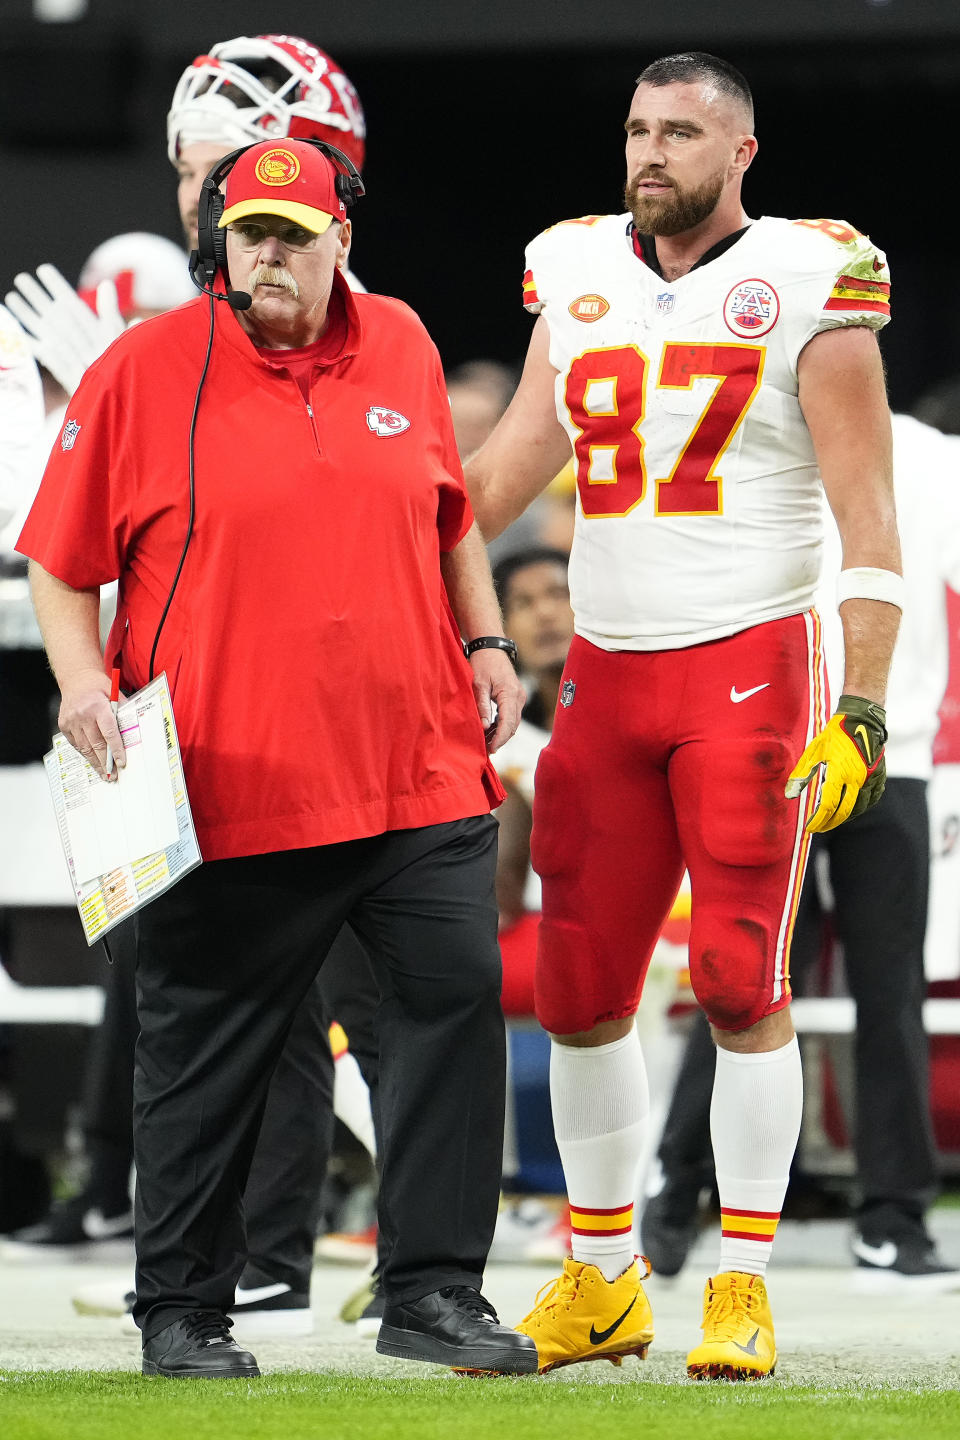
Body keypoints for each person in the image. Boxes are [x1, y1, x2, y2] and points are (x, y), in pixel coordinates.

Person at [17, 135, 536, 1382]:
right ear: (221, 240)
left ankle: (433, 1293)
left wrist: (483, 638)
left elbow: (446, 514)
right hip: (227, 781)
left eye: (293, 235)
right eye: (249, 232)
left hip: (414, 765)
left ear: (339, 240)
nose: (267, 253)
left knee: (450, 1013)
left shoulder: (404, 340)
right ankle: (184, 1310)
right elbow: (57, 557)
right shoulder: (143, 371)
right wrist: (83, 680)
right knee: (207, 1049)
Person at [464, 51, 900, 1379]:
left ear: (743, 153)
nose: (651, 153)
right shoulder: (577, 268)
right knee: (583, 988)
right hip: (606, 665)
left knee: (733, 978)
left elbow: (869, 523)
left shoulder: (817, 278)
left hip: (751, 664)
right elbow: (495, 484)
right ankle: (603, 1282)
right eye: (640, 129)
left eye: (682, 133)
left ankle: (745, 1282)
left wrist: (865, 706)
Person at [1, 35, 378, 1343]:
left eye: (228, 172)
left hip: (316, 712)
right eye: (198, 174)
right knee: (221, 996)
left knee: (322, 998)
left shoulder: (341, 341)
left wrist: (104, 397)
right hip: (196, 710)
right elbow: (81, 530)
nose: (208, 203)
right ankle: (238, 1251)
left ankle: (317, 1250)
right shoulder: (194, 337)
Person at [643, 409, 960, 1291]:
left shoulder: (932, 459)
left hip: (883, 747)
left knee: (887, 991)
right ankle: (674, 1202)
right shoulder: (745, 419)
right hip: (759, 742)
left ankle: (892, 1220)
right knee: (740, 979)